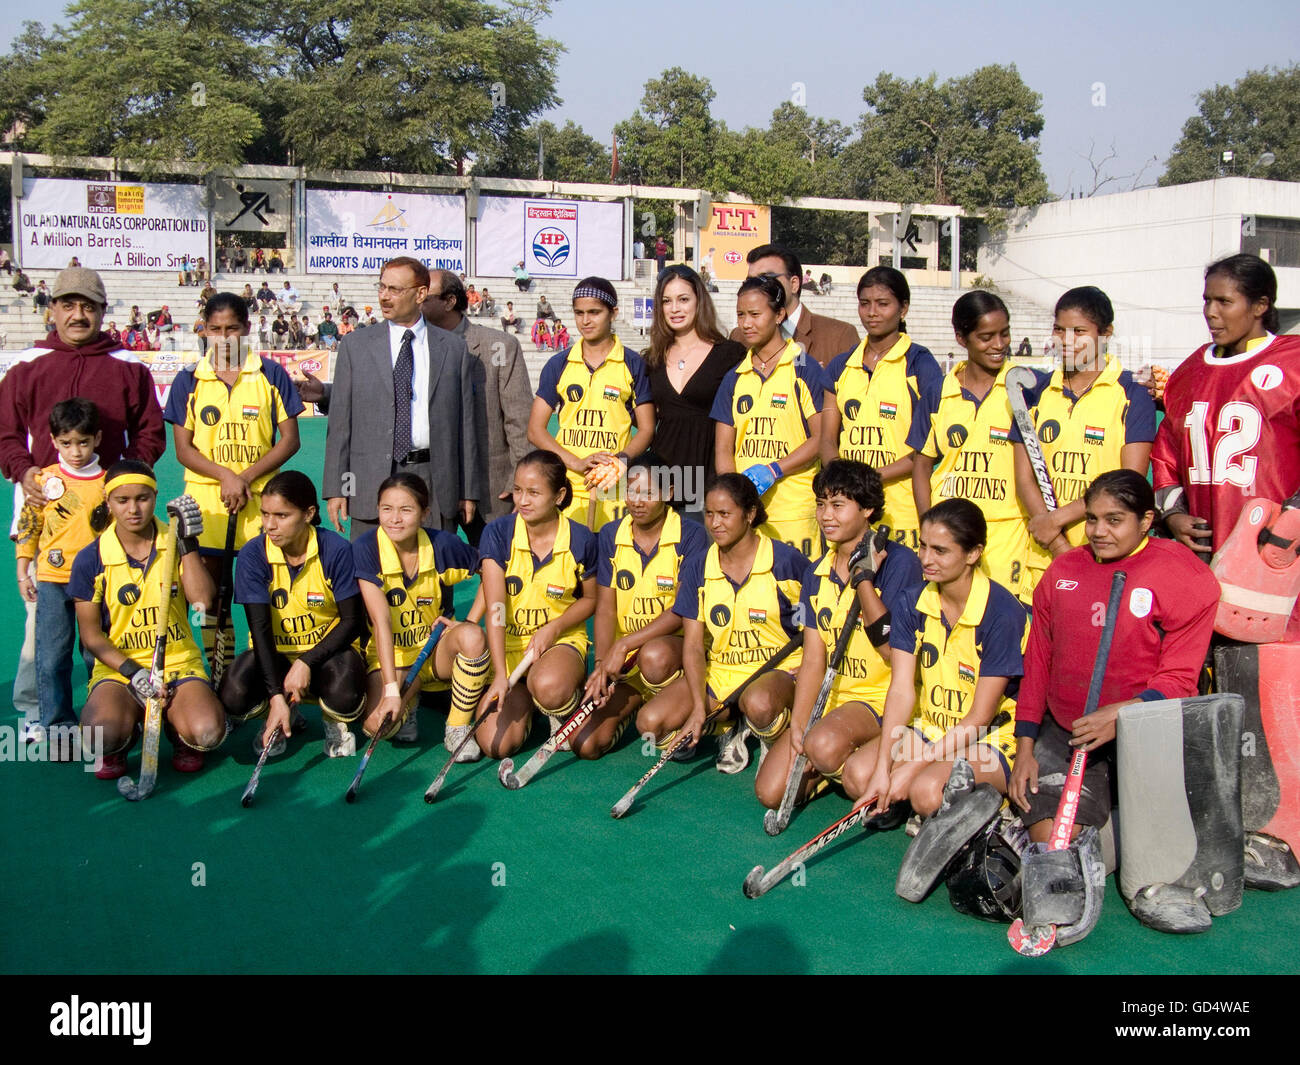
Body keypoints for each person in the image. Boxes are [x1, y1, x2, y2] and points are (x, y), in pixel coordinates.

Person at [1010, 470, 1221, 935]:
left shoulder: (1185, 575)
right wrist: (1025, 743)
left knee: (1140, 859)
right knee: (1052, 843)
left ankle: (1114, 843)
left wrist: (1122, 713)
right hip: (1069, 734)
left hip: (1145, 738)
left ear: (1147, 520)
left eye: (1114, 520)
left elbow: (1181, 677)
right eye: (1091, 520)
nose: (1099, 532)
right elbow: (1038, 663)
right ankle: (1077, 840)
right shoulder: (1062, 572)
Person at [1150, 253, 1300, 890]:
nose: (1212, 312)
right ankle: (1230, 816)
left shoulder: (1292, 363)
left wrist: (1291, 524)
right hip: (1209, 565)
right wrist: (1175, 512)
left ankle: (1285, 832)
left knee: (1278, 686)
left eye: (1225, 302)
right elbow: (1166, 461)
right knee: (1219, 686)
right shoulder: (1186, 375)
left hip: (1277, 563)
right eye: (1207, 300)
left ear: (1260, 305)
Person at [843, 499, 1027, 824]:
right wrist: (884, 768)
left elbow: (981, 716)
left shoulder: (1001, 612)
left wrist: (914, 766)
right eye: (923, 546)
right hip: (933, 726)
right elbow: (901, 691)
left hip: (991, 734)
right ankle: (910, 798)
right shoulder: (911, 601)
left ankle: (994, 808)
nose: (926, 559)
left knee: (928, 793)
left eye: (940, 551)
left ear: (973, 554)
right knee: (859, 775)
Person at [766, 460, 922, 809]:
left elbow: (889, 652)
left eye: (838, 505)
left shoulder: (901, 563)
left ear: (867, 509)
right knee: (771, 791)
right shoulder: (816, 571)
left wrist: (864, 580)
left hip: (882, 697)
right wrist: (800, 724)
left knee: (823, 747)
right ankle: (831, 759)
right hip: (835, 699)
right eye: (821, 504)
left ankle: (874, 758)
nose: (825, 516)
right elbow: (813, 658)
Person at [638, 473, 813, 772]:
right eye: (709, 514)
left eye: (724, 514)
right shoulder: (698, 566)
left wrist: (809, 662)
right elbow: (693, 645)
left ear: (750, 514)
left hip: (777, 670)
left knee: (759, 704)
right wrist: (697, 707)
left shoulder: (786, 561)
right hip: (723, 672)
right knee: (650, 725)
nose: (715, 523)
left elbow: (816, 624)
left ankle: (769, 734)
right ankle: (727, 728)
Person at [164, 291, 303, 661]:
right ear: (204, 330)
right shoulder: (188, 379)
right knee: (212, 598)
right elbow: (184, 450)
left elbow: (290, 440)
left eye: (233, 328)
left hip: (261, 504)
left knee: (267, 592)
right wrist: (226, 476)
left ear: (247, 328)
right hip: (207, 507)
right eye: (216, 329)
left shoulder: (270, 374)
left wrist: (244, 476)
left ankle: (266, 671)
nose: (224, 338)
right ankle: (219, 673)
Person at [70, 463, 227, 778]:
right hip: (121, 668)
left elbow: (203, 601)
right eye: (122, 500)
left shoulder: (174, 540)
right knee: (100, 736)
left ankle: (179, 733)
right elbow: (91, 637)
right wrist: (133, 672)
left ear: (155, 496)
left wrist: (188, 545)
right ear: (108, 501)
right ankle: (121, 739)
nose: (133, 509)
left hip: (179, 662)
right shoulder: (91, 558)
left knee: (207, 732)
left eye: (142, 499)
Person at [319, 256, 485, 540]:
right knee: (371, 576)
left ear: (421, 294)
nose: (384, 296)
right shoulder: (355, 346)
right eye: (382, 287)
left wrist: (468, 490)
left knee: (433, 576)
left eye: (395, 289)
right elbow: (340, 425)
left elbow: (465, 426)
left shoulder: (454, 349)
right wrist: (337, 488)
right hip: (371, 480)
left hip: (434, 481)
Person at [1013, 286, 1157, 597]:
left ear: (1105, 334)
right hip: (1041, 557)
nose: (1066, 341)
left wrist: (1059, 519)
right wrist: (1054, 540)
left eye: (1079, 331)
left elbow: (1129, 483)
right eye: (1059, 330)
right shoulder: (1032, 393)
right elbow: (1024, 478)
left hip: (1105, 559)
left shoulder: (1133, 394)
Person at [220, 471, 368, 758]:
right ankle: (280, 710)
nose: (270, 525)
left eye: (282, 515)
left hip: (326, 655)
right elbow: (259, 629)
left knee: (345, 693)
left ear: (309, 513)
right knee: (233, 694)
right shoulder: (253, 554)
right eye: (265, 515)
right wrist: (276, 694)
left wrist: (306, 661)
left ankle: (333, 719)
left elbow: (353, 622)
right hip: (273, 655)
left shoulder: (335, 550)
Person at [582, 457, 710, 759]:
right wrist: (602, 664)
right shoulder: (612, 534)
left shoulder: (692, 535)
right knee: (586, 745)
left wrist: (624, 643)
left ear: (669, 492)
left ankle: (678, 702)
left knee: (653, 657)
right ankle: (636, 700)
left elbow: (682, 610)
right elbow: (606, 609)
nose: (637, 502)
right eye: (631, 491)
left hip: (671, 652)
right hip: (627, 661)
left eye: (648, 493)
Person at [353, 474, 489, 756]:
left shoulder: (442, 544)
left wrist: (470, 619)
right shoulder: (366, 549)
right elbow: (381, 621)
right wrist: (392, 690)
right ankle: (409, 698)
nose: (394, 519)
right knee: (377, 726)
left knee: (473, 636)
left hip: (435, 650)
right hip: (391, 657)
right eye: (386, 509)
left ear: (424, 514)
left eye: (406, 510)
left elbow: (491, 571)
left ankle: (457, 727)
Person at [475, 451, 598, 759]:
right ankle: (529, 707)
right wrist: (501, 673)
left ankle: (558, 701)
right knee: (495, 745)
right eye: (518, 490)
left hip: (560, 641)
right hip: (511, 646)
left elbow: (592, 601)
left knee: (550, 686)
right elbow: (496, 608)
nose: (523, 501)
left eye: (533, 492)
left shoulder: (581, 539)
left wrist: (553, 628)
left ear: (558, 495)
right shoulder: (497, 533)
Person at [911, 291, 1031, 601]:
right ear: (961, 338)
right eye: (986, 336)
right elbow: (921, 466)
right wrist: (929, 527)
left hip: (1006, 536)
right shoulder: (939, 390)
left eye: (1005, 334)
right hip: (948, 538)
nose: (999, 344)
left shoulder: (1028, 387)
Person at [821, 266, 943, 550]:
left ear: (903, 309)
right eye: (865, 304)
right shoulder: (842, 365)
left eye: (883, 304)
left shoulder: (920, 364)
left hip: (900, 507)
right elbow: (827, 438)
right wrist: (842, 478)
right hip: (849, 506)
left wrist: (871, 478)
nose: (872, 312)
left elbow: (927, 448)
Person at [528, 276, 655, 532]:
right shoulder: (559, 364)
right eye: (579, 313)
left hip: (614, 488)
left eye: (594, 312)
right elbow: (535, 430)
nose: (585, 321)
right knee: (571, 565)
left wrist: (620, 461)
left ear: (613, 313)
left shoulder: (633, 364)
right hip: (568, 486)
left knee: (611, 564)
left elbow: (647, 429)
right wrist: (575, 462)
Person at [713, 275, 826, 559]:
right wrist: (735, 499)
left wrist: (775, 469)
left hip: (794, 511)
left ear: (779, 314)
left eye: (755, 314)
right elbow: (724, 449)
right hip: (746, 516)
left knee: (795, 593)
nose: (746, 323)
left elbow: (822, 438)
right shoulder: (734, 377)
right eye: (740, 315)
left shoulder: (804, 368)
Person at [14, 398, 106, 741]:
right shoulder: (43, 480)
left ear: (97, 438)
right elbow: (29, 526)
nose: (76, 451)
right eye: (66, 443)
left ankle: (103, 720)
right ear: (53, 442)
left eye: (83, 442)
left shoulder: (109, 483)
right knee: (52, 657)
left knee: (94, 655)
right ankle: (57, 726)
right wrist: (24, 570)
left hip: (96, 585)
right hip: (52, 581)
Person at [421, 271, 533, 541]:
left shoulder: (500, 346)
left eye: (425, 295)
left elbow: (520, 421)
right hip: (431, 488)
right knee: (431, 574)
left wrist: (520, 484)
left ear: (449, 301)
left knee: (499, 572)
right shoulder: (412, 346)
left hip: (493, 489)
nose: (417, 300)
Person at [644, 264, 745, 517]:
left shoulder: (730, 354)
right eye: (667, 301)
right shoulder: (651, 360)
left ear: (699, 301)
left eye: (683, 299)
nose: (675, 308)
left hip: (709, 481)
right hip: (663, 482)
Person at [729, 244, 858, 369]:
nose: (756, 287)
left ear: (794, 284)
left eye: (766, 278)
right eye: (750, 281)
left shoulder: (839, 336)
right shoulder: (739, 337)